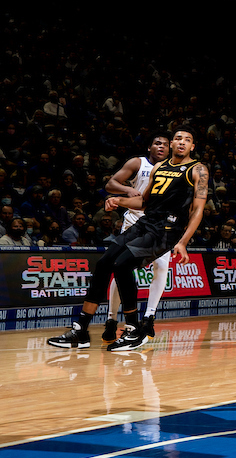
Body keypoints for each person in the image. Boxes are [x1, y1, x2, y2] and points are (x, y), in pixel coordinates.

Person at [47, 128, 208, 352]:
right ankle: (81, 329)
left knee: (122, 265)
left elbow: (198, 209)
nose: (182, 142)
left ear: (193, 147)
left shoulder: (197, 169)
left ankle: (134, 329)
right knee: (104, 263)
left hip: (168, 229)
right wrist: (118, 201)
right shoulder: (160, 167)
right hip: (147, 221)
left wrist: (183, 241)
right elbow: (143, 202)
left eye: (187, 140)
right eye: (178, 139)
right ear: (172, 143)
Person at [101, 131, 172, 341]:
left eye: (165, 144)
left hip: (160, 225)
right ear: (149, 147)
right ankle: (111, 319)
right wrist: (126, 190)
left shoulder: (174, 170)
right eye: (157, 143)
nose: (161, 147)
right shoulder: (137, 163)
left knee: (161, 266)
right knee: (119, 267)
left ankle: (149, 317)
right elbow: (110, 184)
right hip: (134, 221)